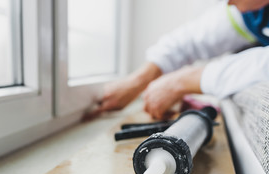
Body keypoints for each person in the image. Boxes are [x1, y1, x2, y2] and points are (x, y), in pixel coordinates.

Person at [94, 0, 269, 119]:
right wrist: (138, 80)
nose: (226, 3)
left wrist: (182, 81)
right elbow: (195, 38)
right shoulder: (253, 9)